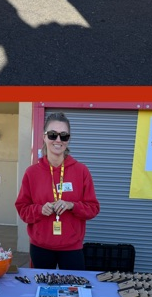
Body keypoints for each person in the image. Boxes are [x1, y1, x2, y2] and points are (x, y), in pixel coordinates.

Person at [14, 113, 99, 270]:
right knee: (42, 290)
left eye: (64, 136)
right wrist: (40, 209)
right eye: (53, 135)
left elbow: (93, 208)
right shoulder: (32, 173)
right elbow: (23, 209)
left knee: (73, 291)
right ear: (44, 137)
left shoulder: (81, 171)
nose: (58, 140)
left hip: (72, 248)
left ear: (68, 139)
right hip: (41, 248)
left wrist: (72, 205)